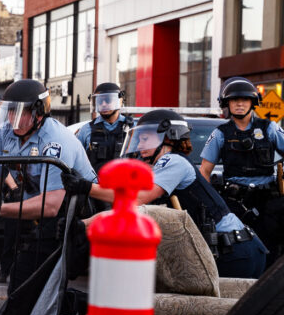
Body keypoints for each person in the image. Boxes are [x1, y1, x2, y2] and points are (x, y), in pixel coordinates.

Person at [0, 79, 97, 315]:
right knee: (26, 283)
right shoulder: (4, 132)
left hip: (73, 217)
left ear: (39, 113)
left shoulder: (57, 141)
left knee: (27, 285)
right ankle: (83, 306)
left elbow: (52, 205)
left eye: (21, 114)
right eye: (9, 112)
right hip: (36, 210)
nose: (12, 120)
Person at [65, 109, 268, 279]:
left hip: (235, 252)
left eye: (145, 138)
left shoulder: (173, 162)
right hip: (230, 250)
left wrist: (85, 188)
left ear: (168, 136)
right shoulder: (160, 168)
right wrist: (84, 224)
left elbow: (136, 199)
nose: (140, 145)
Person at [199, 76, 284, 263]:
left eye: (244, 99)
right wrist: (209, 204)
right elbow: (204, 171)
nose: (239, 104)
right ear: (226, 104)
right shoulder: (220, 134)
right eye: (234, 100)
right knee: (238, 250)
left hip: (268, 201)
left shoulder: (269, 127)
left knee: (272, 250)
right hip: (234, 202)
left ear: (253, 102)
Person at [76, 82, 133, 173]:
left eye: (108, 100)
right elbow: (75, 159)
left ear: (120, 101)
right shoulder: (85, 130)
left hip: (125, 184)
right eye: (100, 101)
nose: (103, 104)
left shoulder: (132, 128)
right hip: (95, 184)